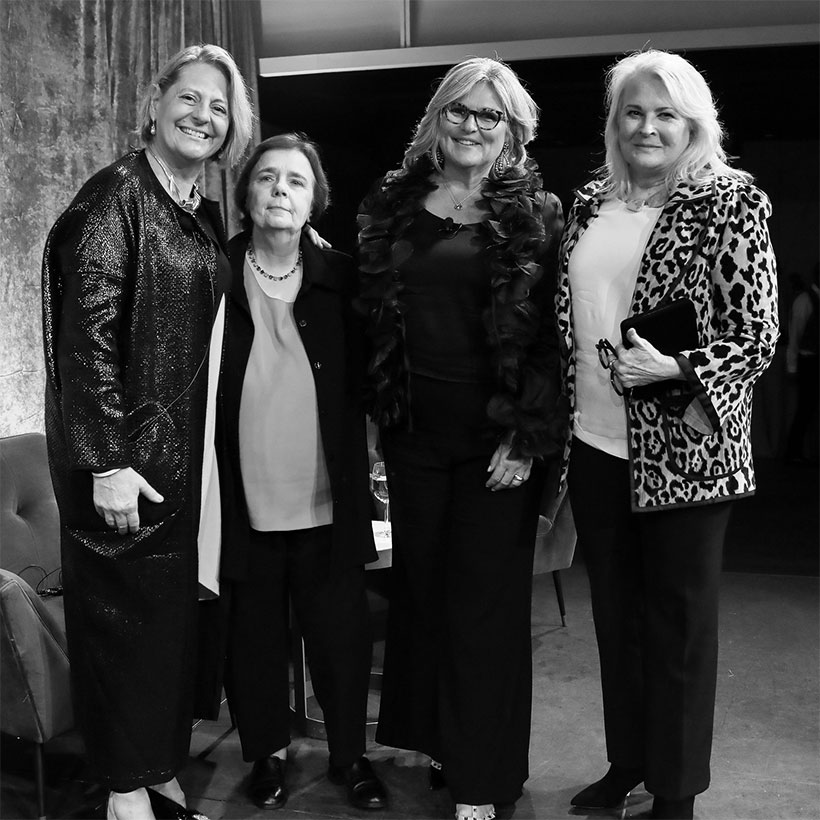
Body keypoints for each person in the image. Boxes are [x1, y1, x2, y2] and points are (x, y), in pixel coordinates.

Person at [555, 50, 779, 820]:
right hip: (594, 441)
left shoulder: (729, 201)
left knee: (678, 627)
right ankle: (629, 762)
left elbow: (757, 335)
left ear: (693, 123)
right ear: (614, 122)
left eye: (665, 114)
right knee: (617, 620)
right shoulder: (589, 203)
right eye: (632, 111)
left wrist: (677, 366)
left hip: (687, 450)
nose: (647, 126)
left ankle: (676, 791)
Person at [41, 44, 253, 820]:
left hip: (175, 467)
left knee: (167, 637)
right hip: (126, 470)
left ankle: (159, 771)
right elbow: (85, 335)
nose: (204, 116)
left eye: (219, 107)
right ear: (155, 105)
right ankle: (126, 794)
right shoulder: (115, 199)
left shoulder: (192, 207)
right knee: (126, 638)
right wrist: (104, 462)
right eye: (190, 99)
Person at [356, 57, 565, 820]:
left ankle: (486, 780)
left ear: (512, 129)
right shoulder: (393, 204)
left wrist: (527, 437)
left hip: (496, 447)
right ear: (436, 118)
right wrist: (378, 423)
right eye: (460, 112)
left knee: (486, 612)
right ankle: (448, 744)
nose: (473, 127)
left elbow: (550, 340)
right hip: (414, 443)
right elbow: (376, 319)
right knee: (429, 601)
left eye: (490, 116)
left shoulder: (536, 216)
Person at [219, 133, 388, 813]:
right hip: (240, 500)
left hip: (327, 498)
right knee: (254, 642)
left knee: (340, 643)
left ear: (315, 196)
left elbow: (375, 384)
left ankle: (351, 757)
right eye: (266, 178)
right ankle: (265, 756)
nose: (280, 190)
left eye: (295, 180)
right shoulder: (213, 273)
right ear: (246, 194)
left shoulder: (345, 278)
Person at [785, 264, 819, 463]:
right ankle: (793, 451)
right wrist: (792, 366)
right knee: (805, 409)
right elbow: (795, 336)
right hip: (809, 361)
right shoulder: (804, 301)